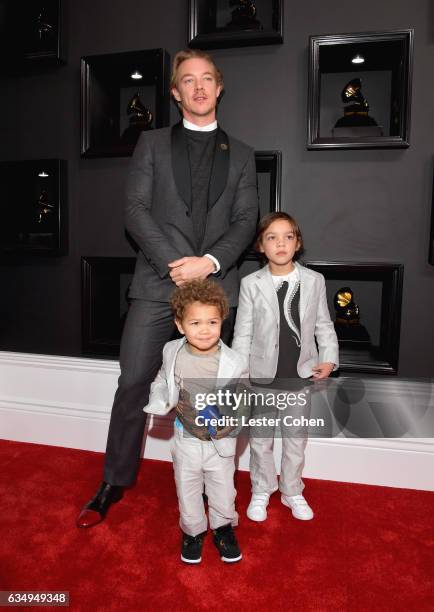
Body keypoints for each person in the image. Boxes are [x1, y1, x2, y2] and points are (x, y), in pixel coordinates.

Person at [76, 49, 258, 527]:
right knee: (133, 381)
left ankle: (216, 484)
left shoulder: (241, 154)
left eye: (207, 79)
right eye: (187, 81)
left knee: (213, 390)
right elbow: (134, 211)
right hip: (158, 282)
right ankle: (115, 478)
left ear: (219, 88)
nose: (198, 88)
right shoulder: (152, 144)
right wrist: (177, 265)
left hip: (217, 290)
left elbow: (245, 221)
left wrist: (210, 263)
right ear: (176, 93)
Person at [232, 212, 339, 522]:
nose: (281, 243)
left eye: (288, 236)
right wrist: (241, 374)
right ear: (261, 247)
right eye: (272, 237)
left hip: (299, 377)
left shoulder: (314, 280)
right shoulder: (251, 284)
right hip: (262, 379)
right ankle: (262, 489)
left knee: (295, 439)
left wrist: (329, 356)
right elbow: (243, 333)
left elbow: (323, 324)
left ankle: (292, 490)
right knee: (260, 440)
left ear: (298, 242)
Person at [144, 279, 247, 564]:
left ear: (222, 321)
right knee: (186, 486)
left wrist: (234, 420)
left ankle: (223, 528)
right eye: (195, 322)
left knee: (223, 489)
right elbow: (162, 381)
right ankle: (192, 531)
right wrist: (160, 399)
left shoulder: (235, 361)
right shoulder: (171, 351)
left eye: (212, 322)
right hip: (185, 437)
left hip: (220, 441)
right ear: (180, 325)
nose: (204, 330)